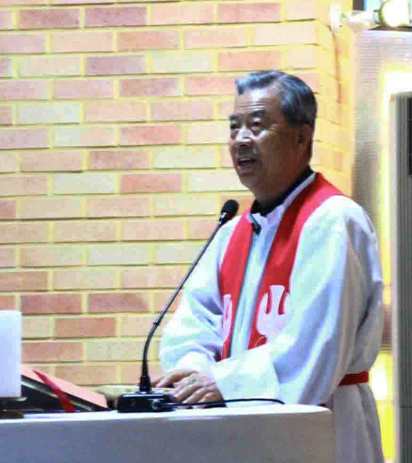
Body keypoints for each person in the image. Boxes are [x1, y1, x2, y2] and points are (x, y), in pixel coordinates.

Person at [157, 70, 385, 463]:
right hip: (242, 426)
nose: (241, 139)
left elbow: (315, 351)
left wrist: (223, 382)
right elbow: (195, 323)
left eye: (257, 126)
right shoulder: (234, 232)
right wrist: (193, 372)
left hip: (325, 426)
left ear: (301, 137)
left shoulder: (331, 220)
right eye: (234, 127)